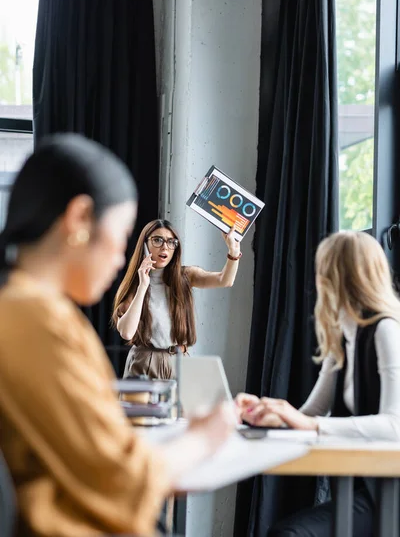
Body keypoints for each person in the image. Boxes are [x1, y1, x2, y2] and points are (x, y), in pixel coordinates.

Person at [0, 133, 235, 537]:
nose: (120, 255)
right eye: (124, 234)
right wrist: (205, 437)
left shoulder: (30, 308)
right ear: (79, 219)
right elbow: (122, 481)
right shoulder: (33, 320)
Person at [236, 230, 400, 537]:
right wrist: (267, 414)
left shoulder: (386, 330)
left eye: (323, 269)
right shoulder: (341, 333)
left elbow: (395, 426)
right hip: (362, 486)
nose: (317, 279)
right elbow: (311, 413)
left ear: (343, 277)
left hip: (388, 491)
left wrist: (304, 421)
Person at [112, 218, 242, 379]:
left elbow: (225, 280)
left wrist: (233, 253)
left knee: (185, 404)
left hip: (179, 360)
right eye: (157, 240)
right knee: (141, 405)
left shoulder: (185, 276)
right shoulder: (135, 286)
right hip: (145, 360)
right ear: (144, 245)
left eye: (171, 242)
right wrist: (143, 287)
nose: (165, 247)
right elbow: (126, 332)